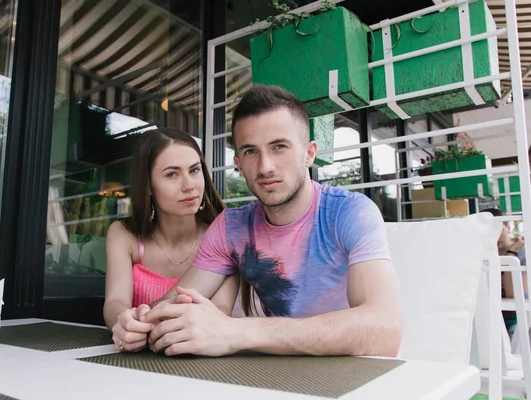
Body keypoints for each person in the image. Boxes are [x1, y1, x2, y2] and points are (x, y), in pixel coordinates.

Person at [141, 85, 403, 357]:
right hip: (269, 375)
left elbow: (385, 331)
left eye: (279, 147)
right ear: (238, 163)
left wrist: (235, 331)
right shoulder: (230, 227)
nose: (265, 167)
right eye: (251, 152)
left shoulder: (350, 212)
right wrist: (139, 322)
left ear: (309, 153)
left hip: (348, 374)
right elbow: (170, 309)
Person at [103, 128, 238, 352]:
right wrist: (124, 323)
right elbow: (115, 301)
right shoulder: (123, 234)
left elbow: (221, 310)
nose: (189, 185)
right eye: (172, 174)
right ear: (147, 185)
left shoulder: (225, 235)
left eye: (194, 170)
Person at [482, 207, 526, 337]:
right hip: (490, 314)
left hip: (516, 315)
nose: (494, 237)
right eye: (488, 232)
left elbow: (513, 294)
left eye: (498, 230)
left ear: (508, 227)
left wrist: (511, 254)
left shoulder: (523, 254)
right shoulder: (483, 256)